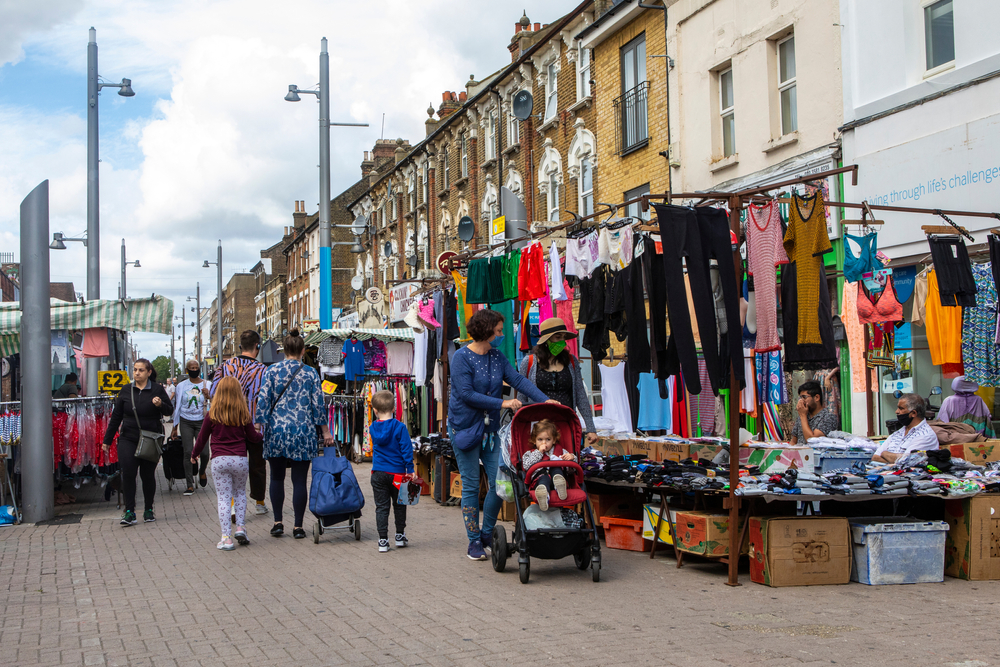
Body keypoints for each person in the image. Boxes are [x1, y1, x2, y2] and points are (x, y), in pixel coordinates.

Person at [448, 308, 557, 561]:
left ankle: (487, 534)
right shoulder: (461, 358)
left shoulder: (497, 356)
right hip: (465, 428)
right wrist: (503, 404)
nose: (501, 334)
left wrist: (545, 401)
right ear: (486, 331)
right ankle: (474, 541)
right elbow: (465, 394)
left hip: (491, 430)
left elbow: (518, 380)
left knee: (501, 483)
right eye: (498, 330)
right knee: (472, 486)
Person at [254, 329, 335, 539]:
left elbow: (263, 401)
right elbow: (318, 405)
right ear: (302, 350)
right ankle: (298, 526)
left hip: (277, 431)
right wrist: (325, 431)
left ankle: (278, 522)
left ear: (283, 350)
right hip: (303, 431)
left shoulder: (270, 371)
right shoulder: (310, 373)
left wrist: (258, 427)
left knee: (277, 478)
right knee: (299, 480)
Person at [191, 376, 263, 551]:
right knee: (239, 493)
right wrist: (260, 434)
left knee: (223, 498)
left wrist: (195, 454)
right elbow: (253, 438)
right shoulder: (243, 414)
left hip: (219, 460)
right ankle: (241, 528)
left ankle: (226, 538)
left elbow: (201, 438)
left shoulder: (212, 414)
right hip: (239, 459)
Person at [102, 359, 173, 526]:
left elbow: (169, 410)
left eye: (141, 370)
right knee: (128, 473)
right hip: (128, 437)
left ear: (149, 372)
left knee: (147, 475)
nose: (137, 373)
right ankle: (129, 511)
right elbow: (116, 417)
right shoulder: (126, 390)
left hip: (150, 437)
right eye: (135, 370)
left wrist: (160, 404)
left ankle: (148, 509)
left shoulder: (157, 389)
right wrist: (107, 439)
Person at [211, 330, 269, 516]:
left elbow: (213, 393)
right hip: (255, 423)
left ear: (239, 347)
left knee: (234, 462)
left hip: (230, 423)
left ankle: (234, 505)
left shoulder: (224, 367)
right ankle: (259, 502)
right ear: (257, 347)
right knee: (257, 463)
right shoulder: (263, 370)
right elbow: (267, 399)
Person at [516, 317, 598, 446]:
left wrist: (590, 428)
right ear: (546, 340)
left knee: (566, 460)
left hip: (565, 423)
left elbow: (580, 393)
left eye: (563, 337)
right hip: (539, 427)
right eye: (557, 337)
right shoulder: (530, 362)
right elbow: (522, 395)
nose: (562, 341)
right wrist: (520, 426)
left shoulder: (571, 361)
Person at [369, 390, 415, 553]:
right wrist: (410, 469)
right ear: (395, 408)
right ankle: (400, 536)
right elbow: (406, 449)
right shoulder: (400, 427)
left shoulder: (372, 428)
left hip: (378, 473)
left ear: (375, 410)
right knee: (400, 505)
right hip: (398, 473)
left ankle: (382, 540)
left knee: (381, 507)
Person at [171, 358, 210, 495]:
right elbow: (177, 407)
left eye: (196, 368)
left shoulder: (207, 384)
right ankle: (189, 484)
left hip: (202, 422)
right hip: (185, 421)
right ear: (187, 370)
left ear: (199, 369)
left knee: (205, 452)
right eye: (191, 368)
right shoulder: (181, 386)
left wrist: (209, 395)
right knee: (188, 452)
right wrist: (174, 427)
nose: (194, 370)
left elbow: (215, 402)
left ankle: (202, 471)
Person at [521, 419, 576, 512]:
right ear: (534, 441)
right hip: (540, 478)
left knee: (556, 467)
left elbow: (572, 470)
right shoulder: (530, 453)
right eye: (540, 439)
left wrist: (572, 458)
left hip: (558, 477)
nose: (544, 443)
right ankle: (543, 495)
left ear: (554, 440)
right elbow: (526, 466)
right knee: (544, 479)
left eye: (548, 439)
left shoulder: (561, 451)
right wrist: (539, 452)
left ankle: (560, 486)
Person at [872, 393, 939, 463]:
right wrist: (895, 459)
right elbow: (875, 457)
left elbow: (906, 462)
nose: (896, 411)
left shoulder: (926, 435)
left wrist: (884, 453)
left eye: (901, 408)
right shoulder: (898, 433)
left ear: (913, 413)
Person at [789, 380, 839, 444]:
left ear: (817, 397)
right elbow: (793, 441)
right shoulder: (802, 416)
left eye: (804, 397)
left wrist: (803, 416)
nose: (801, 401)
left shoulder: (828, 417)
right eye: (800, 398)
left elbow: (812, 441)